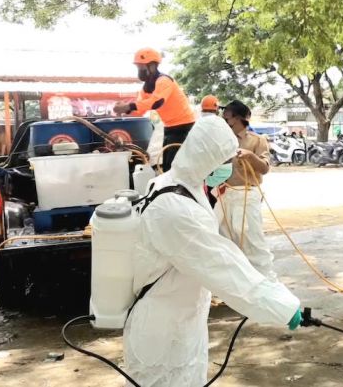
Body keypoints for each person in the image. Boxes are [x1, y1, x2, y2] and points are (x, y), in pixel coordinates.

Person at [124, 116, 301, 386]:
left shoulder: (181, 184)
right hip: (162, 331)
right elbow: (221, 265)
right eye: (225, 161)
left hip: (180, 320)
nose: (229, 167)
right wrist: (281, 306)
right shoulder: (174, 209)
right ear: (206, 159)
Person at [214, 100, 278, 281]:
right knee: (222, 239)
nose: (226, 124)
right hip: (224, 193)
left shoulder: (257, 141)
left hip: (247, 195)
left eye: (229, 120)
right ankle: (233, 284)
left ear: (240, 119)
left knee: (251, 241)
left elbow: (265, 168)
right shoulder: (222, 141)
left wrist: (250, 156)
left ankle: (266, 283)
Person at [114, 48, 196, 172]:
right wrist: (125, 109)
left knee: (177, 165)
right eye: (138, 67)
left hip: (185, 126)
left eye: (141, 67)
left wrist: (128, 106)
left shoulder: (164, 81)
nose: (139, 71)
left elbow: (157, 102)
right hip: (169, 127)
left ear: (152, 65)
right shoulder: (147, 87)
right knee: (168, 165)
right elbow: (140, 109)